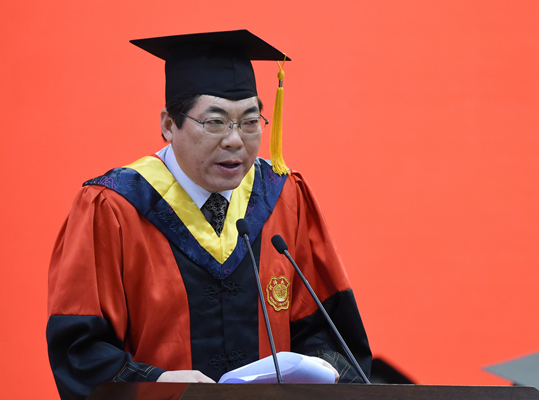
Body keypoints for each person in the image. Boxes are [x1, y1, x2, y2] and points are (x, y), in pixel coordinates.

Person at [47, 30, 371, 400]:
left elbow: (328, 331)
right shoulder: (115, 207)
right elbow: (80, 350)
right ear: (169, 125)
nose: (235, 140)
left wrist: (322, 367)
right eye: (215, 122)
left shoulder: (284, 196)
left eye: (250, 121)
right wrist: (156, 384)